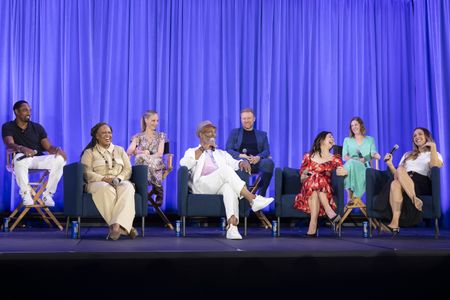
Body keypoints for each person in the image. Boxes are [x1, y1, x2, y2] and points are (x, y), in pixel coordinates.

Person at [180, 120, 274, 240]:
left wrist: (241, 162)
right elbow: (184, 165)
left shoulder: (221, 153)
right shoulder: (192, 151)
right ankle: (252, 199)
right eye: (208, 133)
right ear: (200, 135)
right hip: (201, 185)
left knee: (229, 187)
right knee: (225, 170)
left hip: (217, 185)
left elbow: (234, 163)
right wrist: (202, 149)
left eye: (213, 133)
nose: (211, 136)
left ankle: (232, 227)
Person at [377, 127, 443, 236]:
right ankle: (395, 222)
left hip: (421, 183)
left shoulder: (434, 154)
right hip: (404, 180)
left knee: (400, 172)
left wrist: (433, 148)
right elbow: (397, 175)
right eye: (414, 136)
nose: (417, 137)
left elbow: (435, 166)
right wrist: (390, 164)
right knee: (395, 182)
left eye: (420, 134)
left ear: (427, 136)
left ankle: (413, 199)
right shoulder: (407, 155)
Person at [1, 100, 67, 207]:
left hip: (37, 159)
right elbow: (9, 144)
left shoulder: (37, 127)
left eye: (29, 110)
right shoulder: (8, 126)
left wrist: (57, 150)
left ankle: (48, 194)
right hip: (21, 159)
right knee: (18, 158)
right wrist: (22, 148)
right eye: (25, 110)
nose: (28, 113)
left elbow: (49, 147)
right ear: (16, 112)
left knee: (60, 160)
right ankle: (26, 194)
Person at [81, 122, 138, 240]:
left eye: (109, 132)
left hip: (118, 180)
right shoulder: (89, 153)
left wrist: (119, 178)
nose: (107, 135)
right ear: (96, 136)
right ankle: (123, 226)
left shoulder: (120, 150)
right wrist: (103, 178)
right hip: (97, 183)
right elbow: (86, 173)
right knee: (106, 188)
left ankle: (116, 227)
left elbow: (128, 169)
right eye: (103, 133)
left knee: (128, 187)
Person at [294, 131, 347, 237]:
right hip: (307, 188)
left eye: (333, 137)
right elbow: (302, 178)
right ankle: (329, 211)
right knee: (315, 177)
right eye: (329, 137)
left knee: (316, 183)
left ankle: (312, 226)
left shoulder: (335, 158)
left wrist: (343, 171)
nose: (332, 139)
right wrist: (306, 173)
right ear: (322, 140)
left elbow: (343, 171)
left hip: (325, 190)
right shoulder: (308, 156)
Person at [226, 108, 274, 196]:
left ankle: (260, 195)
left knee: (268, 163)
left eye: (249, 118)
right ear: (241, 119)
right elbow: (228, 149)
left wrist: (258, 157)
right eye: (244, 118)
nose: (246, 121)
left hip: (257, 162)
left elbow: (266, 151)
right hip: (241, 162)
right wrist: (241, 156)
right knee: (243, 164)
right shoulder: (235, 132)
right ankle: (245, 201)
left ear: (254, 119)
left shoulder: (262, 134)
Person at [127, 110, 167, 206]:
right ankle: (158, 189)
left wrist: (147, 156)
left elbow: (160, 153)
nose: (156, 123)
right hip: (143, 165)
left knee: (143, 158)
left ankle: (145, 190)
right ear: (146, 120)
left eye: (157, 121)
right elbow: (130, 151)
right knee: (141, 158)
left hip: (156, 162)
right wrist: (141, 152)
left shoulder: (161, 136)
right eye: (153, 120)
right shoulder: (138, 136)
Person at [342, 117, 380, 203]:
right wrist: (354, 160)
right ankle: (349, 196)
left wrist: (372, 156)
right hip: (350, 166)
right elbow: (344, 157)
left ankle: (350, 197)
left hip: (364, 167)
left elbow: (373, 153)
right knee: (350, 164)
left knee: (351, 165)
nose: (354, 127)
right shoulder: (347, 140)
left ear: (361, 125)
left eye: (356, 124)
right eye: (352, 126)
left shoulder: (370, 139)